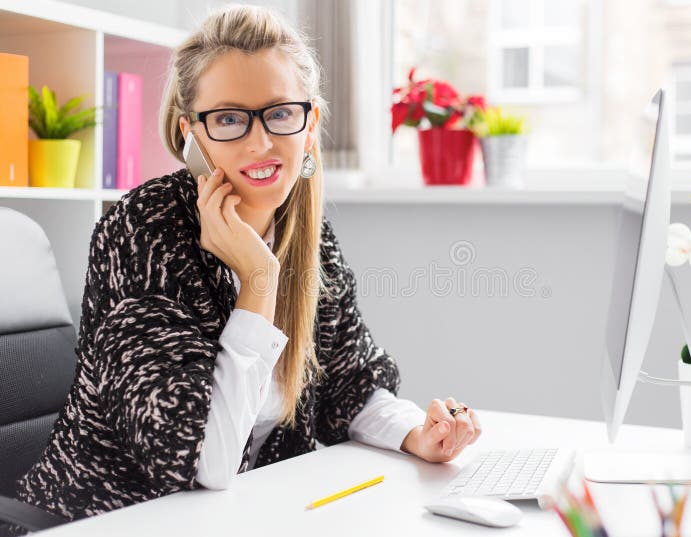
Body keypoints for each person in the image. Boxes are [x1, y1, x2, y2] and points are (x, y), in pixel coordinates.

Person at [10, 3, 481, 529]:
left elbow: (351, 382)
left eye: (280, 113)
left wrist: (418, 434)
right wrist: (259, 284)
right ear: (192, 134)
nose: (260, 142)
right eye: (230, 119)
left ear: (310, 123)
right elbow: (194, 463)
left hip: (241, 515)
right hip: (109, 518)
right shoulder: (143, 230)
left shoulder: (308, 234)